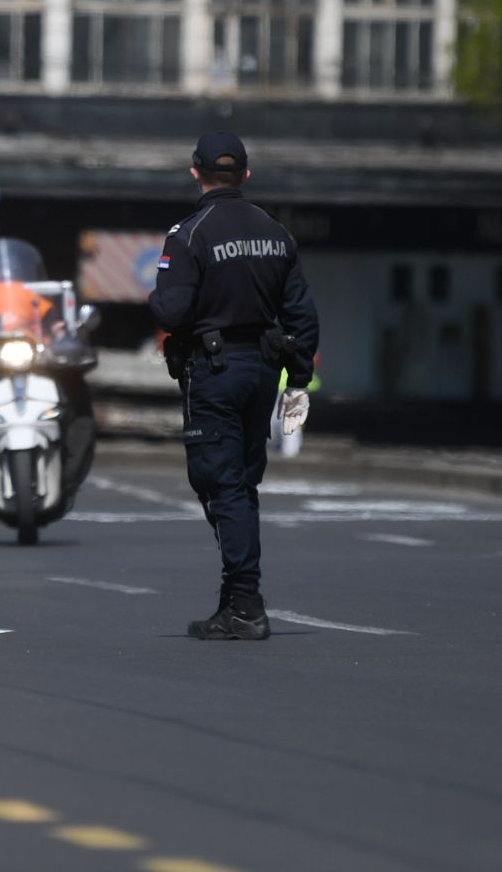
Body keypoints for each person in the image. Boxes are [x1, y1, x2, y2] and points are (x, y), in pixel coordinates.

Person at [150, 132, 318, 642]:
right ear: (244, 175)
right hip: (264, 372)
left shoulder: (190, 233)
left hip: (215, 372)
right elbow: (301, 314)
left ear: (195, 172)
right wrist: (301, 379)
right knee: (241, 485)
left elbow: (171, 310)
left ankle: (245, 601)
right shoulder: (276, 232)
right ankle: (235, 598)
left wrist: (160, 302)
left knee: (219, 484)